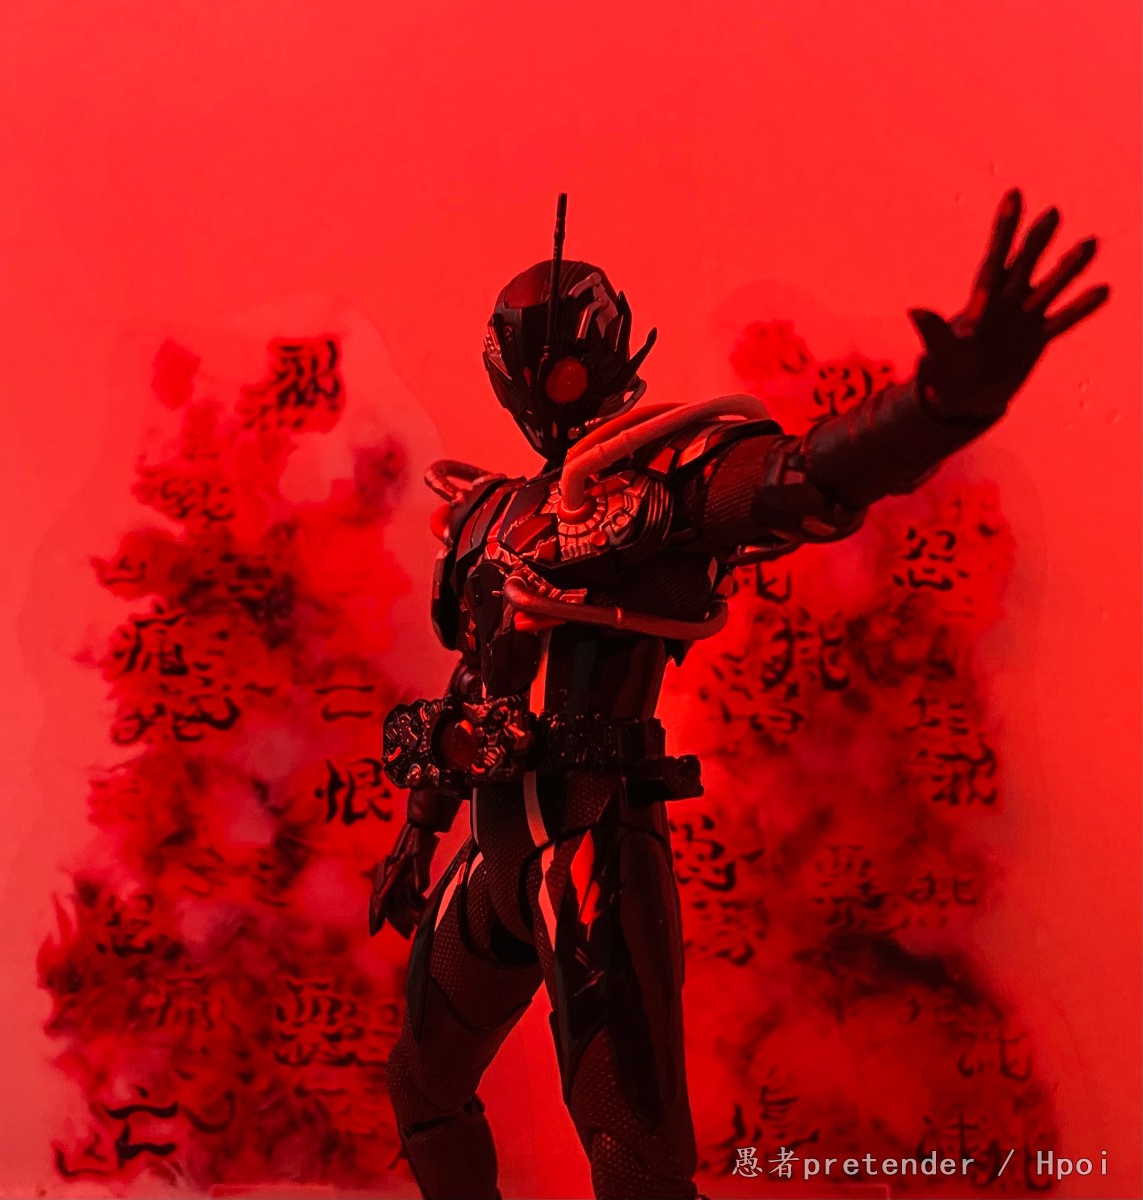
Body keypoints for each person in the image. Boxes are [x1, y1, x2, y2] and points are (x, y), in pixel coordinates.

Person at [368, 191, 1107, 1200]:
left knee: (635, 1163)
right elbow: (477, 679)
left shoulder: (661, 478)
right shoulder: (490, 513)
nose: (550, 381)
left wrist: (939, 405)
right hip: (495, 847)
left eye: (563, 358)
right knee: (422, 1089)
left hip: (592, 841)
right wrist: (419, 829)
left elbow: (805, 480)